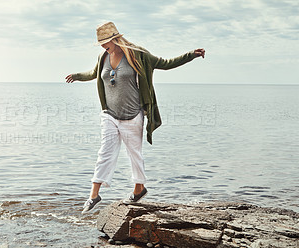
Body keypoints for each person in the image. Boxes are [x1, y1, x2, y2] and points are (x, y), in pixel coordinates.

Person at [65, 22, 205, 214]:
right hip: (110, 115)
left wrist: (191, 55)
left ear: (115, 39)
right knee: (105, 152)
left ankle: (139, 189)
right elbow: (93, 73)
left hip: (132, 115)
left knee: (134, 155)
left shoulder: (137, 54)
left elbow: (165, 63)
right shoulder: (103, 56)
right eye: (100, 43)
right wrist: (77, 76)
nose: (102, 45)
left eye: (105, 41)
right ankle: (94, 195)